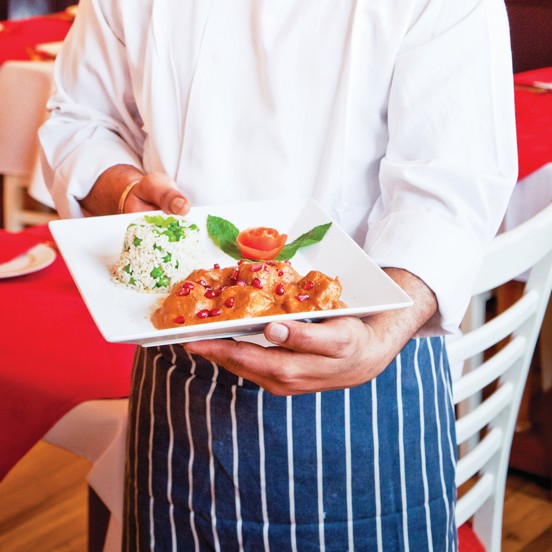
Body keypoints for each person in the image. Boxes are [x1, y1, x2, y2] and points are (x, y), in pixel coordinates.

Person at [39, 0, 517, 549]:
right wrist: (123, 188)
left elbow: (449, 189)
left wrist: (381, 332)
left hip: (372, 357)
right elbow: (80, 119)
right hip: (183, 364)